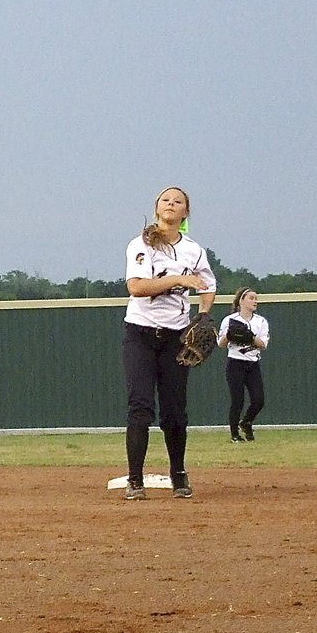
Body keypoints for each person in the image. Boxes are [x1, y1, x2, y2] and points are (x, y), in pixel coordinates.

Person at [121, 186, 217, 500]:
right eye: (166, 200)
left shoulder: (193, 250)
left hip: (176, 337)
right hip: (141, 334)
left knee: (175, 412)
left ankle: (179, 475)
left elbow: (208, 284)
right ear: (157, 208)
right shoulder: (142, 245)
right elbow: (136, 287)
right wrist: (177, 279)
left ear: (185, 213)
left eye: (178, 201)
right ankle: (135, 480)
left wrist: (203, 316)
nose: (171, 204)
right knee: (141, 408)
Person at [218, 286, 270, 442]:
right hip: (235, 363)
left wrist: (250, 337)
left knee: (258, 400)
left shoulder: (260, 321)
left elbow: (263, 344)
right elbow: (221, 344)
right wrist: (229, 334)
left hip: (253, 363)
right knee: (237, 400)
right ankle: (234, 434)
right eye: (251, 298)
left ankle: (246, 422)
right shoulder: (230, 320)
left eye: (256, 298)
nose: (255, 301)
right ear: (241, 300)